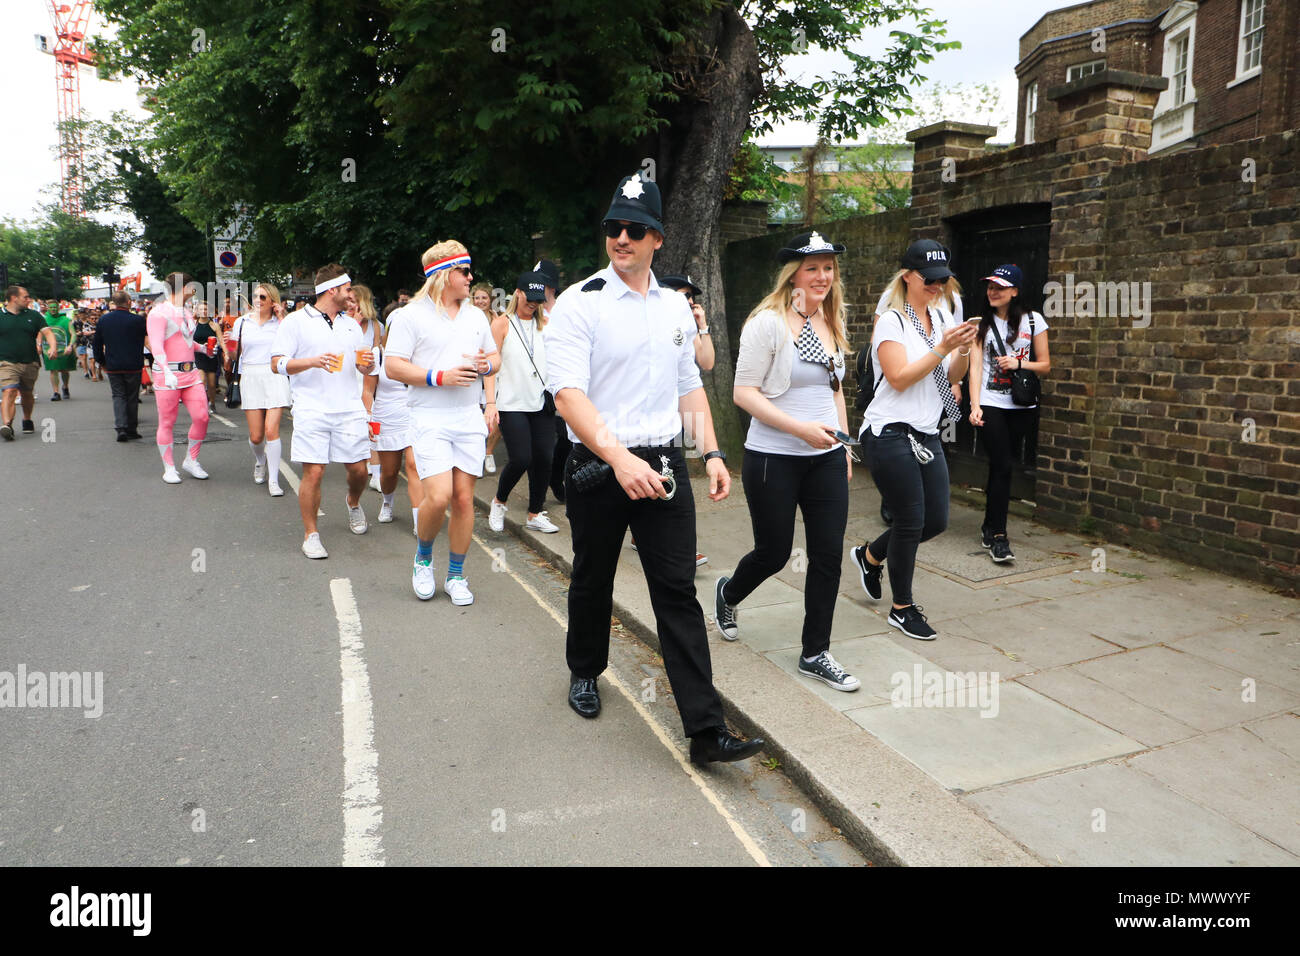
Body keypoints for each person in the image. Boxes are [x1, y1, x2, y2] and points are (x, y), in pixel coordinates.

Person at [545, 172, 764, 765]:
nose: (622, 238)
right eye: (614, 227)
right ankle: (585, 670)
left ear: (658, 238)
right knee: (593, 576)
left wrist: (712, 452)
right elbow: (568, 396)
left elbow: (690, 385)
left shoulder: (675, 308)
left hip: (663, 461)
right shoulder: (577, 304)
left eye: (635, 229)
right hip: (598, 463)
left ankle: (705, 731)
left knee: (676, 591)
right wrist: (618, 459)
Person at [719, 231, 859, 691]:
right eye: (812, 267)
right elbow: (743, 393)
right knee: (774, 553)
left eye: (828, 268)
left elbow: (833, 387)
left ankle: (815, 651)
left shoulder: (830, 319)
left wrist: (843, 444)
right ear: (793, 274)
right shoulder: (768, 323)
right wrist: (799, 430)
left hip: (826, 459)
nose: (822, 276)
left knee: (827, 556)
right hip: (773, 458)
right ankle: (729, 591)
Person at [849, 240, 975, 640]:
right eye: (930, 280)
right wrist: (943, 347)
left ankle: (870, 556)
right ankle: (902, 608)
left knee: (935, 520)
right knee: (910, 520)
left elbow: (950, 377)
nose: (937, 287)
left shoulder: (938, 318)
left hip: (926, 431)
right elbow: (900, 377)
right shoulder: (891, 321)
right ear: (907, 276)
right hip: (889, 432)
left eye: (942, 280)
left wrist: (965, 349)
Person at [384, 240, 499, 604]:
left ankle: (456, 575)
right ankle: (423, 557)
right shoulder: (410, 315)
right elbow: (393, 365)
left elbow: (495, 360)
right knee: (438, 496)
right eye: (464, 271)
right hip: (429, 416)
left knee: (465, 500)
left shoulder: (476, 316)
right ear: (444, 275)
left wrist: (486, 366)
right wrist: (440, 376)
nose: (471, 278)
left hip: (468, 416)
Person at [270, 264, 375, 558]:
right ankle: (311, 534)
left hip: (349, 409)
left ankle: (353, 502)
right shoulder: (294, 322)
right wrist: (311, 362)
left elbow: (363, 365)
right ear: (332, 290)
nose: (351, 293)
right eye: (347, 288)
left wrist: (367, 365)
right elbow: (276, 363)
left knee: (359, 471)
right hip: (311, 407)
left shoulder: (352, 325)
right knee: (314, 473)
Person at [968, 264, 1050, 564]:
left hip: (1022, 405)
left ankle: (989, 526)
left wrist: (1018, 365)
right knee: (1002, 464)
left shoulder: (1034, 321)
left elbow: (1045, 365)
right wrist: (975, 406)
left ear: (1014, 291)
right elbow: (975, 367)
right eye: (990, 286)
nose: (993, 291)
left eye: (1000, 287)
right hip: (991, 403)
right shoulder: (981, 324)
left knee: (1002, 467)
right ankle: (999, 537)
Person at [488, 272, 558, 534]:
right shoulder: (502, 324)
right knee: (521, 458)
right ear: (517, 293)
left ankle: (535, 513)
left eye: (538, 300)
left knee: (544, 458)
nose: (533, 304)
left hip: (541, 401)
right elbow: (491, 367)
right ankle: (499, 501)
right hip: (511, 402)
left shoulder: (548, 324)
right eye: (529, 298)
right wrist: (490, 403)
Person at [146, 273, 212, 483]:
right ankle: (169, 467)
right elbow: (156, 345)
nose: (195, 290)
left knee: (202, 416)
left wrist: (204, 349)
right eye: (192, 286)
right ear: (183, 287)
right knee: (167, 422)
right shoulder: (158, 313)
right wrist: (165, 371)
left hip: (191, 373)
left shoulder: (186, 311)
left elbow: (186, 341)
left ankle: (191, 460)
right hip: (168, 374)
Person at [228, 283, 292, 495]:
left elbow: (292, 345)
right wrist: (228, 347)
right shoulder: (242, 322)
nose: (257, 300)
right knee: (256, 437)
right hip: (250, 375)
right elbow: (234, 354)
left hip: (274, 375)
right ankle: (260, 460)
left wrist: (282, 317)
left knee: (271, 430)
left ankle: (274, 480)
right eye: (255, 296)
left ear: (272, 301)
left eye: (263, 297)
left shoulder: (282, 324)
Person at [363, 318, 424, 530]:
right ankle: (387, 501)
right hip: (386, 415)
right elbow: (368, 391)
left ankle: (419, 522)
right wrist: (368, 417)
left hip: (415, 413)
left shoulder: (422, 354)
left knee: (414, 466)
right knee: (389, 472)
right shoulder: (378, 354)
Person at [93, 290, 147, 441]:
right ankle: (131, 428)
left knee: (118, 396)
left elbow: (97, 343)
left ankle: (121, 427)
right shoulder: (138, 320)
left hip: (113, 364)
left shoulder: (104, 320)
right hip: (133, 364)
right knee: (132, 397)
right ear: (129, 302)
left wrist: (101, 361)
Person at [346, 283, 385, 491]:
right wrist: (353, 324)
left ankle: (375, 472)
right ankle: (359, 463)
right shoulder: (341, 324)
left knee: (371, 423)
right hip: (346, 381)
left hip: (368, 379)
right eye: (348, 300)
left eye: (354, 300)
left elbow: (380, 357)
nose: (350, 304)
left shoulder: (377, 327)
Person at [1, 286, 52, 440]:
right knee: (9, 391)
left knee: (27, 393)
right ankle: (7, 425)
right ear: (14, 298)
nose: (29, 300)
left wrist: (52, 347)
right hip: (6, 361)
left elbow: (47, 332)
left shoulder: (34, 315)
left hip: (30, 361)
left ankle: (27, 418)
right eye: (26, 297)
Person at [473, 282, 503, 474]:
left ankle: (488, 452)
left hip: (494, 373)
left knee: (496, 419)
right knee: (476, 419)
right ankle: (475, 457)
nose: (480, 301)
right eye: (477, 297)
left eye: (484, 297)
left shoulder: (496, 320)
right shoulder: (467, 318)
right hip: (474, 375)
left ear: (490, 300)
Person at [192, 301, 226, 412]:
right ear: (197, 311)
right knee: (202, 380)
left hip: (211, 356)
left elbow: (221, 340)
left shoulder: (214, 325)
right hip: (198, 356)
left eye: (206, 309)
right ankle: (203, 403)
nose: (203, 312)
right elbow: (187, 340)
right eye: (201, 309)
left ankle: (212, 403)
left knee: (212, 384)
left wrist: (226, 354)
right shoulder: (194, 324)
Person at [42, 302, 77, 400]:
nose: (53, 309)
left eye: (55, 307)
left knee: (64, 370)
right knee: (53, 370)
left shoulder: (66, 320)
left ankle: (65, 387)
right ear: (48, 308)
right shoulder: (44, 320)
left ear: (58, 308)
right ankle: (56, 392)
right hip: (48, 349)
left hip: (64, 348)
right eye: (51, 307)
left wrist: (70, 346)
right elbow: (39, 334)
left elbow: (73, 334)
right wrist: (39, 346)